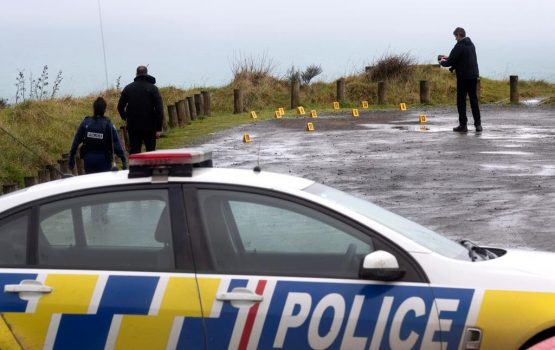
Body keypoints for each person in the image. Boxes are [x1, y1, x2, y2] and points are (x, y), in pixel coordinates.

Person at [439, 27, 482, 133]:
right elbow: (460, 58)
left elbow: (451, 61)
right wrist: (448, 57)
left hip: (463, 77)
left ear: (458, 35)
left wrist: (442, 62)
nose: (455, 39)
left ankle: (463, 125)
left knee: (461, 101)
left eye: (455, 36)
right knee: (474, 101)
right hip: (473, 76)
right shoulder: (471, 45)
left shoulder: (459, 46)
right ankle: (478, 125)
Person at [68, 97, 127, 173]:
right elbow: (116, 143)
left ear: (94, 108)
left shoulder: (86, 122)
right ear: (104, 110)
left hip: (88, 159)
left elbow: (76, 141)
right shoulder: (108, 124)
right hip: (104, 159)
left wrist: (72, 157)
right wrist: (123, 160)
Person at [117, 65, 164, 154]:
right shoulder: (153, 88)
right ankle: (151, 167)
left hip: (133, 126)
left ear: (136, 74)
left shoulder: (128, 88)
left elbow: (120, 106)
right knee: (151, 151)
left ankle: (135, 167)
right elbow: (159, 109)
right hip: (150, 126)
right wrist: (158, 128)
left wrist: (125, 118)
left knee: (135, 151)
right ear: (146, 73)